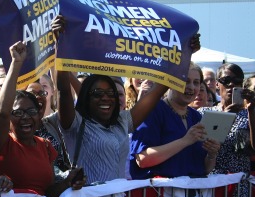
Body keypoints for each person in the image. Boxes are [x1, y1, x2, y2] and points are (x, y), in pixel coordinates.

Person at [51, 14, 200, 182]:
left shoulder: (121, 121)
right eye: (98, 94)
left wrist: (185, 53)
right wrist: (60, 43)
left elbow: (159, 89)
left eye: (111, 94)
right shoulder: (75, 123)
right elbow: (63, 90)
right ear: (85, 98)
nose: (106, 98)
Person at [0, 41, 84, 197]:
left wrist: (68, 181)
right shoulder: (4, 144)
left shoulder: (44, 146)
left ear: (39, 115)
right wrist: (16, 63)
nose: (25, 117)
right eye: (18, 113)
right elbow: (1, 114)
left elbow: (47, 190)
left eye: (31, 111)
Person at [199, 62, 255, 197]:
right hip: (210, 193)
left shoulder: (251, 115)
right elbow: (202, 146)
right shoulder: (204, 113)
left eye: (237, 81)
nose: (232, 85)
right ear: (217, 84)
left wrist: (250, 111)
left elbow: (253, 149)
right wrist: (226, 116)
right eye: (226, 80)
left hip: (239, 194)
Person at [130, 63, 220, 179]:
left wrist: (212, 154)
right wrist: (185, 141)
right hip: (159, 194)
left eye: (196, 82)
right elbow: (142, 159)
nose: (191, 87)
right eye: (185, 81)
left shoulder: (197, 117)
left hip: (192, 194)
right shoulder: (152, 111)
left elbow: (205, 169)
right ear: (171, 83)